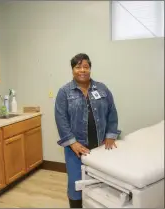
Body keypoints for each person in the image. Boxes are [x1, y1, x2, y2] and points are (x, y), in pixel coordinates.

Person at [54, 53, 119, 208]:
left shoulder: (102, 88)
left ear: (90, 69)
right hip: (76, 150)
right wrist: (72, 143)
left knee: (100, 183)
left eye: (86, 67)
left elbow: (112, 112)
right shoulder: (64, 92)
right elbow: (61, 119)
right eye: (78, 67)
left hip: (100, 146)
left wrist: (111, 135)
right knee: (76, 184)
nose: (82, 70)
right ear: (72, 70)